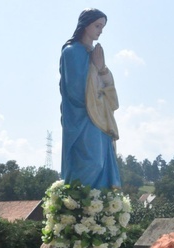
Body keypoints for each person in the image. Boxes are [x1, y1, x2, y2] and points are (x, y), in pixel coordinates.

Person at [60, 8, 121, 189]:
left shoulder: (95, 53)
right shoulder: (71, 52)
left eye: (102, 26)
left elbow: (108, 87)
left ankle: (100, 208)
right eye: (97, 25)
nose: (100, 30)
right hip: (82, 119)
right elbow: (75, 91)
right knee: (91, 162)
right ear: (85, 25)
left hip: (100, 120)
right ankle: (79, 207)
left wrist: (101, 68)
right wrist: (96, 69)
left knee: (102, 164)